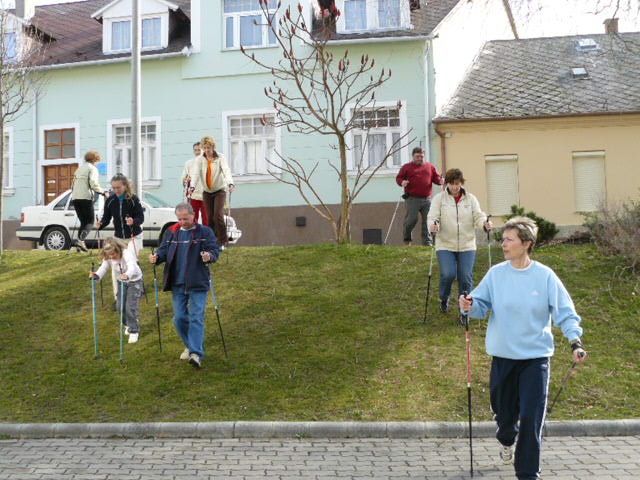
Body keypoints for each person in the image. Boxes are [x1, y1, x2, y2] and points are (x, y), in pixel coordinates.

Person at [459, 216, 587, 480]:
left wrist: (575, 341)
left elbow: (565, 312)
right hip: (503, 358)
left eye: (509, 239)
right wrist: (469, 305)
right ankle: (507, 438)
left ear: (526, 243)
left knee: (531, 417)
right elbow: (479, 306)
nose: (503, 244)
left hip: (535, 359)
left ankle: (528, 473)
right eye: (503, 239)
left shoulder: (544, 276)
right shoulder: (496, 274)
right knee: (505, 419)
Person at [149, 202, 221, 368]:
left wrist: (209, 256)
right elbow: (163, 251)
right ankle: (190, 345)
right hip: (177, 282)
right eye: (180, 219)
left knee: (196, 317)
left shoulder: (205, 232)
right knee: (180, 318)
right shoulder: (171, 232)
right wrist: (157, 258)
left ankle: (196, 353)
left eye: (186, 218)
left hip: (198, 282)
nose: (183, 222)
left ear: (193, 215)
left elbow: (214, 250)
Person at [427, 168, 492, 318]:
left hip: (467, 245)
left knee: (465, 277)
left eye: (457, 184)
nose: (455, 187)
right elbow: (432, 217)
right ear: (447, 184)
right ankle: (444, 298)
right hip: (445, 244)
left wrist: (484, 224)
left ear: (461, 183)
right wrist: (433, 225)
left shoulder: (471, 199)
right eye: (452, 184)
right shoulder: (439, 199)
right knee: (448, 274)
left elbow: (478, 216)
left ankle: (464, 309)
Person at [95, 174, 145, 307]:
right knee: (115, 265)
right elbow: (106, 218)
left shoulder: (133, 199)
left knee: (131, 261)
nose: (116, 190)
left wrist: (133, 221)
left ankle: (136, 288)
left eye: (118, 187)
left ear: (125, 186)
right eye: (114, 188)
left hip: (134, 235)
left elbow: (141, 217)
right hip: (118, 238)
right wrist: (101, 224)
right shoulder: (111, 200)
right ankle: (118, 297)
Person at [90, 237, 143, 343]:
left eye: (113, 254)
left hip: (134, 281)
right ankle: (128, 324)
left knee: (130, 307)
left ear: (118, 250)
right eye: (109, 255)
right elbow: (104, 267)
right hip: (121, 281)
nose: (111, 257)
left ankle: (134, 330)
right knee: (119, 306)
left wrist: (127, 275)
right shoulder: (108, 257)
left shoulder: (126, 253)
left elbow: (132, 266)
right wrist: (97, 275)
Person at [395, 147, 442, 246]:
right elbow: (399, 178)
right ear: (413, 156)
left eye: (421, 156)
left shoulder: (430, 166)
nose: (420, 159)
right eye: (417, 157)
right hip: (412, 199)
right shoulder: (407, 167)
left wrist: (441, 181)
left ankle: (427, 243)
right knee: (411, 220)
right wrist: (402, 182)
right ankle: (407, 240)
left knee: (428, 221)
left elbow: (436, 179)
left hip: (427, 199)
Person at [194, 135, 235, 247]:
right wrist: (192, 186)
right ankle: (212, 241)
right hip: (207, 192)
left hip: (219, 191)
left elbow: (226, 170)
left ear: (213, 147)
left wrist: (230, 183)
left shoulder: (220, 157)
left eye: (209, 148)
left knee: (218, 216)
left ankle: (223, 241)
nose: (207, 150)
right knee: (209, 218)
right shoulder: (200, 160)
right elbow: (196, 174)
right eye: (205, 148)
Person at [71, 150, 105, 252]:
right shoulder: (92, 168)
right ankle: (81, 240)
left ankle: (79, 247)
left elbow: (72, 185)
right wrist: (103, 192)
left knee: (83, 222)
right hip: (86, 197)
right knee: (90, 222)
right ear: (95, 159)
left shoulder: (79, 169)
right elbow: (94, 184)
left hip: (75, 198)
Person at [181, 142, 208, 225]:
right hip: (193, 195)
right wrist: (185, 180)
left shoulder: (208, 163)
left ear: (203, 150)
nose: (197, 152)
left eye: (199, 150)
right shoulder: (189, 163)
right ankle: (194, 233)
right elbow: (183, 178)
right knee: (193, 218)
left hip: (206, 194)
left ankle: (207, 232)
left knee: (206, 218)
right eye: (195, 150)